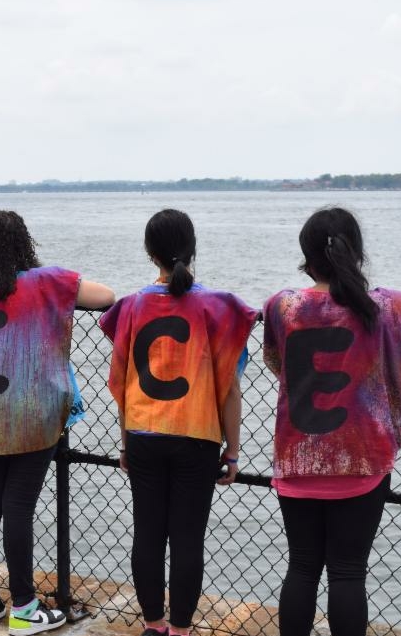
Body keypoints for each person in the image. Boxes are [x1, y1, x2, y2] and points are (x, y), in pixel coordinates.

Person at [0, 211, 114, 635]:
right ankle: (25, 609)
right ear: (23, 247)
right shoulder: (45, 282)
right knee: (18, 507)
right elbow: (106, 296)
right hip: (33, 416)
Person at [262, 207, 401, 636]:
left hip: (297, 457)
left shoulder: (281, 305)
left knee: (301, 567)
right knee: (348, 571)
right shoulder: (385, 305)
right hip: (362, 460)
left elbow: (276, 362)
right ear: (356, 254)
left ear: (306, 258)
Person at [99, 209, 256, 636]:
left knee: (147, 534)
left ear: (150, 253)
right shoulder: (217, 307)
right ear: (192, 248)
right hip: (196, 436)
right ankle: (182, 629)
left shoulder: (132, 306)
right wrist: (233, 452)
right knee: (188, 538)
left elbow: (123, 384)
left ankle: (153, 624)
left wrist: (125, 443)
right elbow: (230, 389)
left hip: (143, 432)